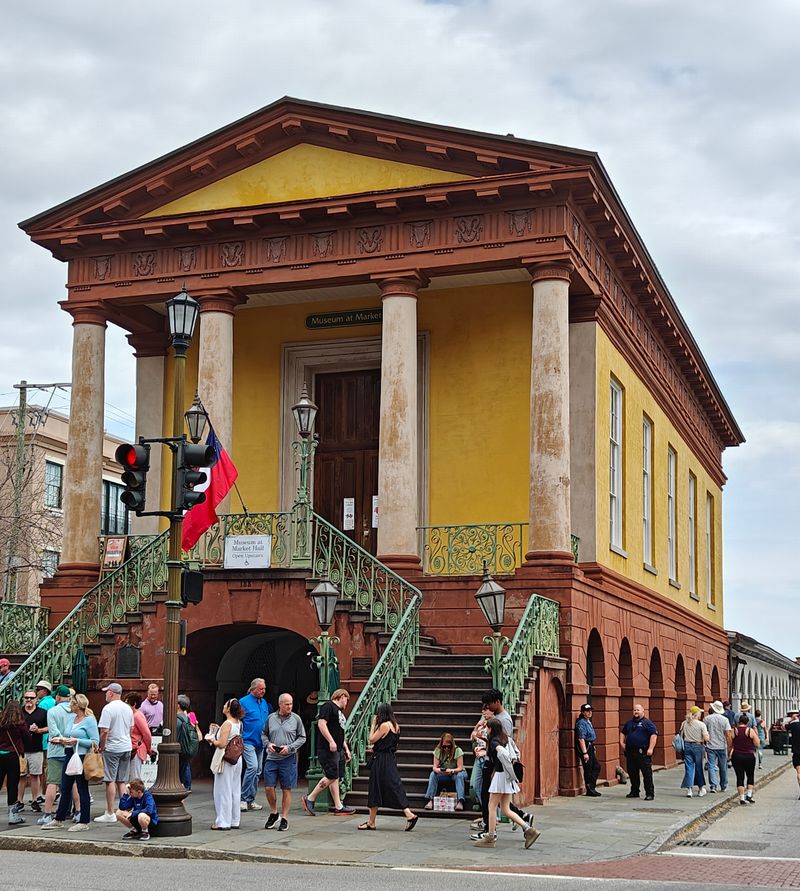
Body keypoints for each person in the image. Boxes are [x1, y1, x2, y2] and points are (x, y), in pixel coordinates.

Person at [473, 689, 531, 839]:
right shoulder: (496, 718)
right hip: (498, 768)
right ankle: (525, 825)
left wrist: (491, 753)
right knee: (502, 806)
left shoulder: (503, 720)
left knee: (491, 802)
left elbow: (504, 746)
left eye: (489, 704)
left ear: (497, 702)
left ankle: (490, 833)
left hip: (497, 768)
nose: (487, 707)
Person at [473, 718, 539, 849]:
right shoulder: (505, 738)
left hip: (501, 776)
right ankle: (528, 829)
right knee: (505, 809)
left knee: (491, 806)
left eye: (487, 727)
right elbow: (515, 752)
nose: (485, 730)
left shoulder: (494, 742)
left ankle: (490, 836)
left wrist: (507, 766)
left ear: (491, 729)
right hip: (506, 777)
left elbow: (502, 753)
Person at [41, 693, 99, 832]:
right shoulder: (72, 719)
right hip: (69, 753)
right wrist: (61, 740)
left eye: (72, 703)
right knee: (65, 787)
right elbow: (67, 735)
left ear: (78, 706)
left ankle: (84, 820)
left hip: (81, 756)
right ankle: (59, 818)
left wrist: (77, 741)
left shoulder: (89, 720)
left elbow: (95, 742)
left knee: (81, 787)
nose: (69, 706)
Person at [358, 703, 418, 831]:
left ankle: (373, 822)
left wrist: (373, 725)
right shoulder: (396, 726)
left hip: (381, 761)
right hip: (390, 759)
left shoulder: (384, 726)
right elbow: (388, 742)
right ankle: (406, 814)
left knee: (375, 788)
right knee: (394, 785)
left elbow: (371, 739)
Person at [302, 688, 356, 816]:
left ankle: (338, 806)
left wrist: (346, 749)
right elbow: (321, 724)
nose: (346, 703)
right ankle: (310, 798)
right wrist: (331, 741)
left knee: (335, 776)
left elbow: (339, 732)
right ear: (342, 696)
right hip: (328, 749)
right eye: (346, 700)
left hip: (337, 748)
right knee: (332, 775)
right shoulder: (328, 706)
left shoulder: (338, 712)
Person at [262, 693, 306, 832]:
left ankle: (285, 817)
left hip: (288, 758)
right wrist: (268, 744)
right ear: (280, 704)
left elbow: (302, 737)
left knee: (286, 788)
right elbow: (263, 733)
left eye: (291, 704)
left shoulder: (296, 719)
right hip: (272, 757)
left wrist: (290, 747)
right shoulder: (271, 718)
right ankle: (274, 812)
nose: (289, 707)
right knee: (269, 787)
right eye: (287, 704)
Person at [94, 682, 134, 823]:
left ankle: (110, 812)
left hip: (112, 747)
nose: (105, 694)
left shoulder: (108, 709)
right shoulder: (128, 709)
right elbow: (131, 729)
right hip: (126, 746)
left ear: (111, 693)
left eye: (106, 692)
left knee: (110, 780)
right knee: (121, 780)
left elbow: (104, 731)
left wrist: (101, 746)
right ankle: (124, 810)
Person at [39, 685, 73, 825]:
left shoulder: (52, 711)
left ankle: (47, 814)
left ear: (58, 697)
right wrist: (68, 742)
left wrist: (61, 740)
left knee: (52, 782)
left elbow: (53, 732)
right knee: (73, 782)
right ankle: (76, 812)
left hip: (56, 749)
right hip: (72, 749)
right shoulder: (74, 710)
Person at [209, 698, 243, 830]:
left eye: (225, 704)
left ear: (228, 708)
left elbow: (222, 744)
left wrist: (212, 739)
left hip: (225, 759)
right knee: (235, 789)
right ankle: (235, 820)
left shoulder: (227, 723)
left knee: (223, 790)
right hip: (236, 758)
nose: (223, 706)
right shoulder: (238, 722)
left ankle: (223, 821)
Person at [239, 677, 270, 812]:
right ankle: (243, 798)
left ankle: (251, 799)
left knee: (258, 771)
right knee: (252, 767)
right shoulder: (243, 702)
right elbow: (238, 720)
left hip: (261, 741)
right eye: (260, 689)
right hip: (247, 740)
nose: (263, 691)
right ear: (253, 689)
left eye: (264, 688)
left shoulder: (264, 703)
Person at [16, 690, 48, 813]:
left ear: (36, 699)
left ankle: (35, 800)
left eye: (31, 698)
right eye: (27, 698)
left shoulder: (42, 713)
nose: (29, 700)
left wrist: (38, 730)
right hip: (21, 749)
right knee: (21, 776)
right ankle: (19, 801)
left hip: (36, 748)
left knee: (35, 775)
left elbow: (48, 727)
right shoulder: (19, 712)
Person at [0, 700, 32, 825]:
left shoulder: (1, 722)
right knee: (12, 785)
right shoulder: (20, 723)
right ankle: (13, 815)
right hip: (13, 755)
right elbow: (27, 739)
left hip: (0, 754)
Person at [620, 703, 658, 801]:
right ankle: (635, 791)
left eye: (638, 710)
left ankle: (649, 793)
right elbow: (623, 733)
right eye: (634, 710)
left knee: (647, 774)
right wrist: (621, 743)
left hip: (643, 753)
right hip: (630, 752)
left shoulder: (647, 723)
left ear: (642, 711)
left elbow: (653, 735)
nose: (636, 712)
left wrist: (651, 748)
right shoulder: (629, 723)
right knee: (632, 773)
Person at [423, 732, 468, 810]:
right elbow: (434, 767)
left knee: (460, 776)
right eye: (444, 747)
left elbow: (460, 768)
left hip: (456, 772)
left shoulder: (458, 750)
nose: (446, 749)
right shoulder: (438, 750)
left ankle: (460, 801)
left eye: (448, 747)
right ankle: (430, 799)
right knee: (433, 774)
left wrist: (452, 771)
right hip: (444, 773)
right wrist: (439, 770)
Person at [679, 706, 710, 797]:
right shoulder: (701, 724)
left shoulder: (684, 723)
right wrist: (708, 736)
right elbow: (706, 738)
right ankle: (700, 789)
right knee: (698, 767)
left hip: (687, 745)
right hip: (698, 746)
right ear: (697, 714)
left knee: (689, 767)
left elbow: (681, 734)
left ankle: (689, 789)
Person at [729, 713, 759, 805]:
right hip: (749, 755)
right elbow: (757, 743)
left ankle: (742, 797)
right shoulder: (750, 731)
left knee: (740, 776)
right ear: (747, 722)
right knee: (750, 775)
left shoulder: (734, 731)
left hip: (737, 755)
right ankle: (749, 795)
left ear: (739, 721)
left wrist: (729, 753)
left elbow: (730, 744)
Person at [704, 701, 732, 792]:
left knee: (711, 766)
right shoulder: (725, 720)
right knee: (723, 767)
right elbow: (728, 734)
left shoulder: (707, 719)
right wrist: (729, 747)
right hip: (722, 745)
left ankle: (713, 785)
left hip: (710, 745)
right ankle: (723, 785)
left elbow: (704, 732)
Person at [469, 705, 492, 813]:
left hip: (487, 758)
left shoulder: (493, 724)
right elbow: (472, 736)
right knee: (476, 785)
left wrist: (484, 750)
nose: (483, 712)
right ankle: (486, 813)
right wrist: (477, 726)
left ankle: (492, 815)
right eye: (482, 709)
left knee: (489, 788)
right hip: (479, 759)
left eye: (485, 709)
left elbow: (494, 742)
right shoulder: (482, 724)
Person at [575, 703, 602, 797]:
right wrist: (585, 752)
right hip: (585, 747)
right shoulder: (581, 723)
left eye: (590, 710)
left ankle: (592, 786)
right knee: (589, 768)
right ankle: (590, 788)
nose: (590, 712)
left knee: (596, 766)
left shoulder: (587, 721)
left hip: (590, 746)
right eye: (587, 711)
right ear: (583, 712)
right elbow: (581, 738)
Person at [125, 692, 152, 782]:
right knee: (132, 777)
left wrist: (149, 749)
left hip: (136, 749)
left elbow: (146, 734)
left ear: (134, 704)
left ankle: (137, 795)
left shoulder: (137, 716)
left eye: (127, 703)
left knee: (134, 778)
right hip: (133, 747)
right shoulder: (134, 715)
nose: (125, 705)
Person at [177, 694, 201, 791]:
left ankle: (184, 786)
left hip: (180, 749)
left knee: (181, 768)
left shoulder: (177, 719)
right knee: (185, 765)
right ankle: (186, 786)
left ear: (178, 705)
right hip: (187, 748)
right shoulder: (189, 718)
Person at [787, 713, 800, 799]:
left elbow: (784, 727)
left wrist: (792, 719)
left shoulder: (794, 725)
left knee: (799, 772)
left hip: (797, 752)